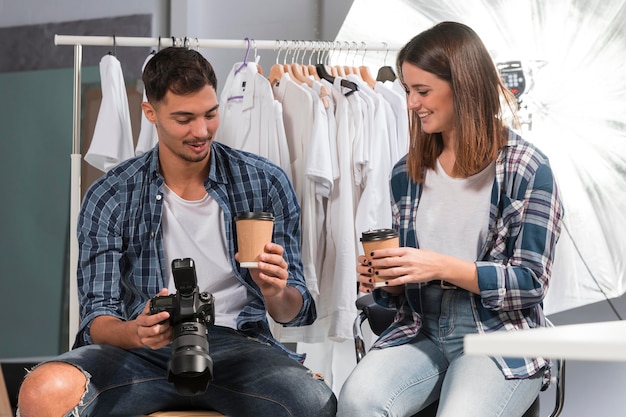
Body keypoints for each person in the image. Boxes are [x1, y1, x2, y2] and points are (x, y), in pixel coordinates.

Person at [17, 47, 337, 417]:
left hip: (238, 348)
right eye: (184, 118)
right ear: (150, 112)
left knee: (315, 403)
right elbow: (97, 319)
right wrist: (136, 331)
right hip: (139, 352)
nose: (201, 131)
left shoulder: (264, 182)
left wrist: (275, 291)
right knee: (43, 391)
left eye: (210, 114)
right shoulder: (110, 194)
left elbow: (294, 313)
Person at [337, 21, 563, 417]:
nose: (410, 103)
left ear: (464, 85)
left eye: (422, 91)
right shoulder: (406, 174)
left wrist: (439, 265)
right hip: (420, 325)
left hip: (499, 334)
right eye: (408, 90)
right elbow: (400, 288)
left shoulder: (527, 168)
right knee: (357, 402)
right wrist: (385, 279)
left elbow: (530, 283)